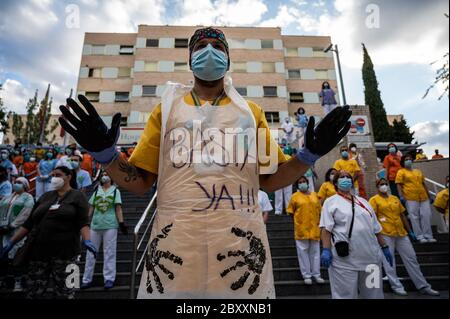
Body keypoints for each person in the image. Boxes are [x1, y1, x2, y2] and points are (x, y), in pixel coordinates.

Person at [59, 26, 352, 299]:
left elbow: (271, 179)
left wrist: (308, 155)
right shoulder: (167, 110)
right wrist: (106, 155)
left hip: (239, 249)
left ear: (228, 58)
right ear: (190, 59)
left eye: (217, 46)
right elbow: (139, 182)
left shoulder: (250, 113)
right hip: (175, 249)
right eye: (201, 46)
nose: (209, 51)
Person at [0, 166, 97, 299]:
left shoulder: (78, 196)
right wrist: (12, 242)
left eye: (58, 175)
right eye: (53, 175)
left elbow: (83, 222)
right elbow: (29, 223)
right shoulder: (45, 196)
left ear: (68, 177)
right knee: (33, 292)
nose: (54, 178)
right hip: (39, 253)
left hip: (68, 254)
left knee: (68, 293)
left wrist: (87, 240)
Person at [319, 170, 393, 299]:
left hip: (371, 260)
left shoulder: (364, 202)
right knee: (345, 296)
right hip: (345, 261)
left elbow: (376, 228)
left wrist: (385, 247)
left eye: (348, 177)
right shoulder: (330, 202)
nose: (346, 179)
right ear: (336, 182)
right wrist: (326, 250)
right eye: (342, 177)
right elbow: (326, 229)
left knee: (374, 295)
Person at [369, 178, 440, 296]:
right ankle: (396, 286)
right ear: (377, 186)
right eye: (382, 184)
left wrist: (410, 231)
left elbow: (402, 215)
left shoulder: (395, 198)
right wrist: (376, 235)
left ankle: (423, 286)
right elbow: (372, 218)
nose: (385, 186)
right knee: (389, 261)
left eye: (386, 184)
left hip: (401, 233)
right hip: (385, 233)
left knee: (412, 258)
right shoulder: (374, 200)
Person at [81, 171, 127, 290]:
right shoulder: (97, 191)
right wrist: (85, 222)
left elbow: (118, 208)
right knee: (90, 253)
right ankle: (86, 279)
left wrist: (121, 223)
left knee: (109, 252)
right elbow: (91, 207)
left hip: (110, 225)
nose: (104, 176)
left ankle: (109, 279)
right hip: (95, 225)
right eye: (102, 175)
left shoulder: (115, 191)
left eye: (107, 174)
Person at [287, 176, 324, 285]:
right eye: (300, 182)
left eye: (304, 181)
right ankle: (306, 275)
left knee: (315, 253)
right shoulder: (294, 196)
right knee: (303, 253)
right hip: (301, 229)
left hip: (315, 228)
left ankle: (316, 275)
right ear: (297, 185)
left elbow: (319, 210)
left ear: (308, 183)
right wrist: (298, 222)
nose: (302, 183)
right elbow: (290, 211)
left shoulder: (314, 195)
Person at [0, 177, 34, 291]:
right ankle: (3, 281)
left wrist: (12, 225)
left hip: (18, 231)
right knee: (4, 257)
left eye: (19, 182)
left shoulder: (28, 198)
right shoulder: (7, 197)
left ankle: (18, 282)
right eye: (15, 182)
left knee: (17, 257)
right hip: (3, 231)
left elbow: (25, 213)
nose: (16, 184)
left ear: (25, 185)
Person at [396, 154, 436, 243]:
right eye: (406, 159)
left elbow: (423, 184)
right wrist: (401, 196)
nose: (408, 161)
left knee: (426, 215)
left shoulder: (418, 171)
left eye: (410, 159)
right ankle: (420, 236)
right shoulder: (401, 172)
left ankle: (428, 235)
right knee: (414, 217)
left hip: (423, 196)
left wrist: (429, 195)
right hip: (410, 197)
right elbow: (399, 184)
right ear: (403, 161)